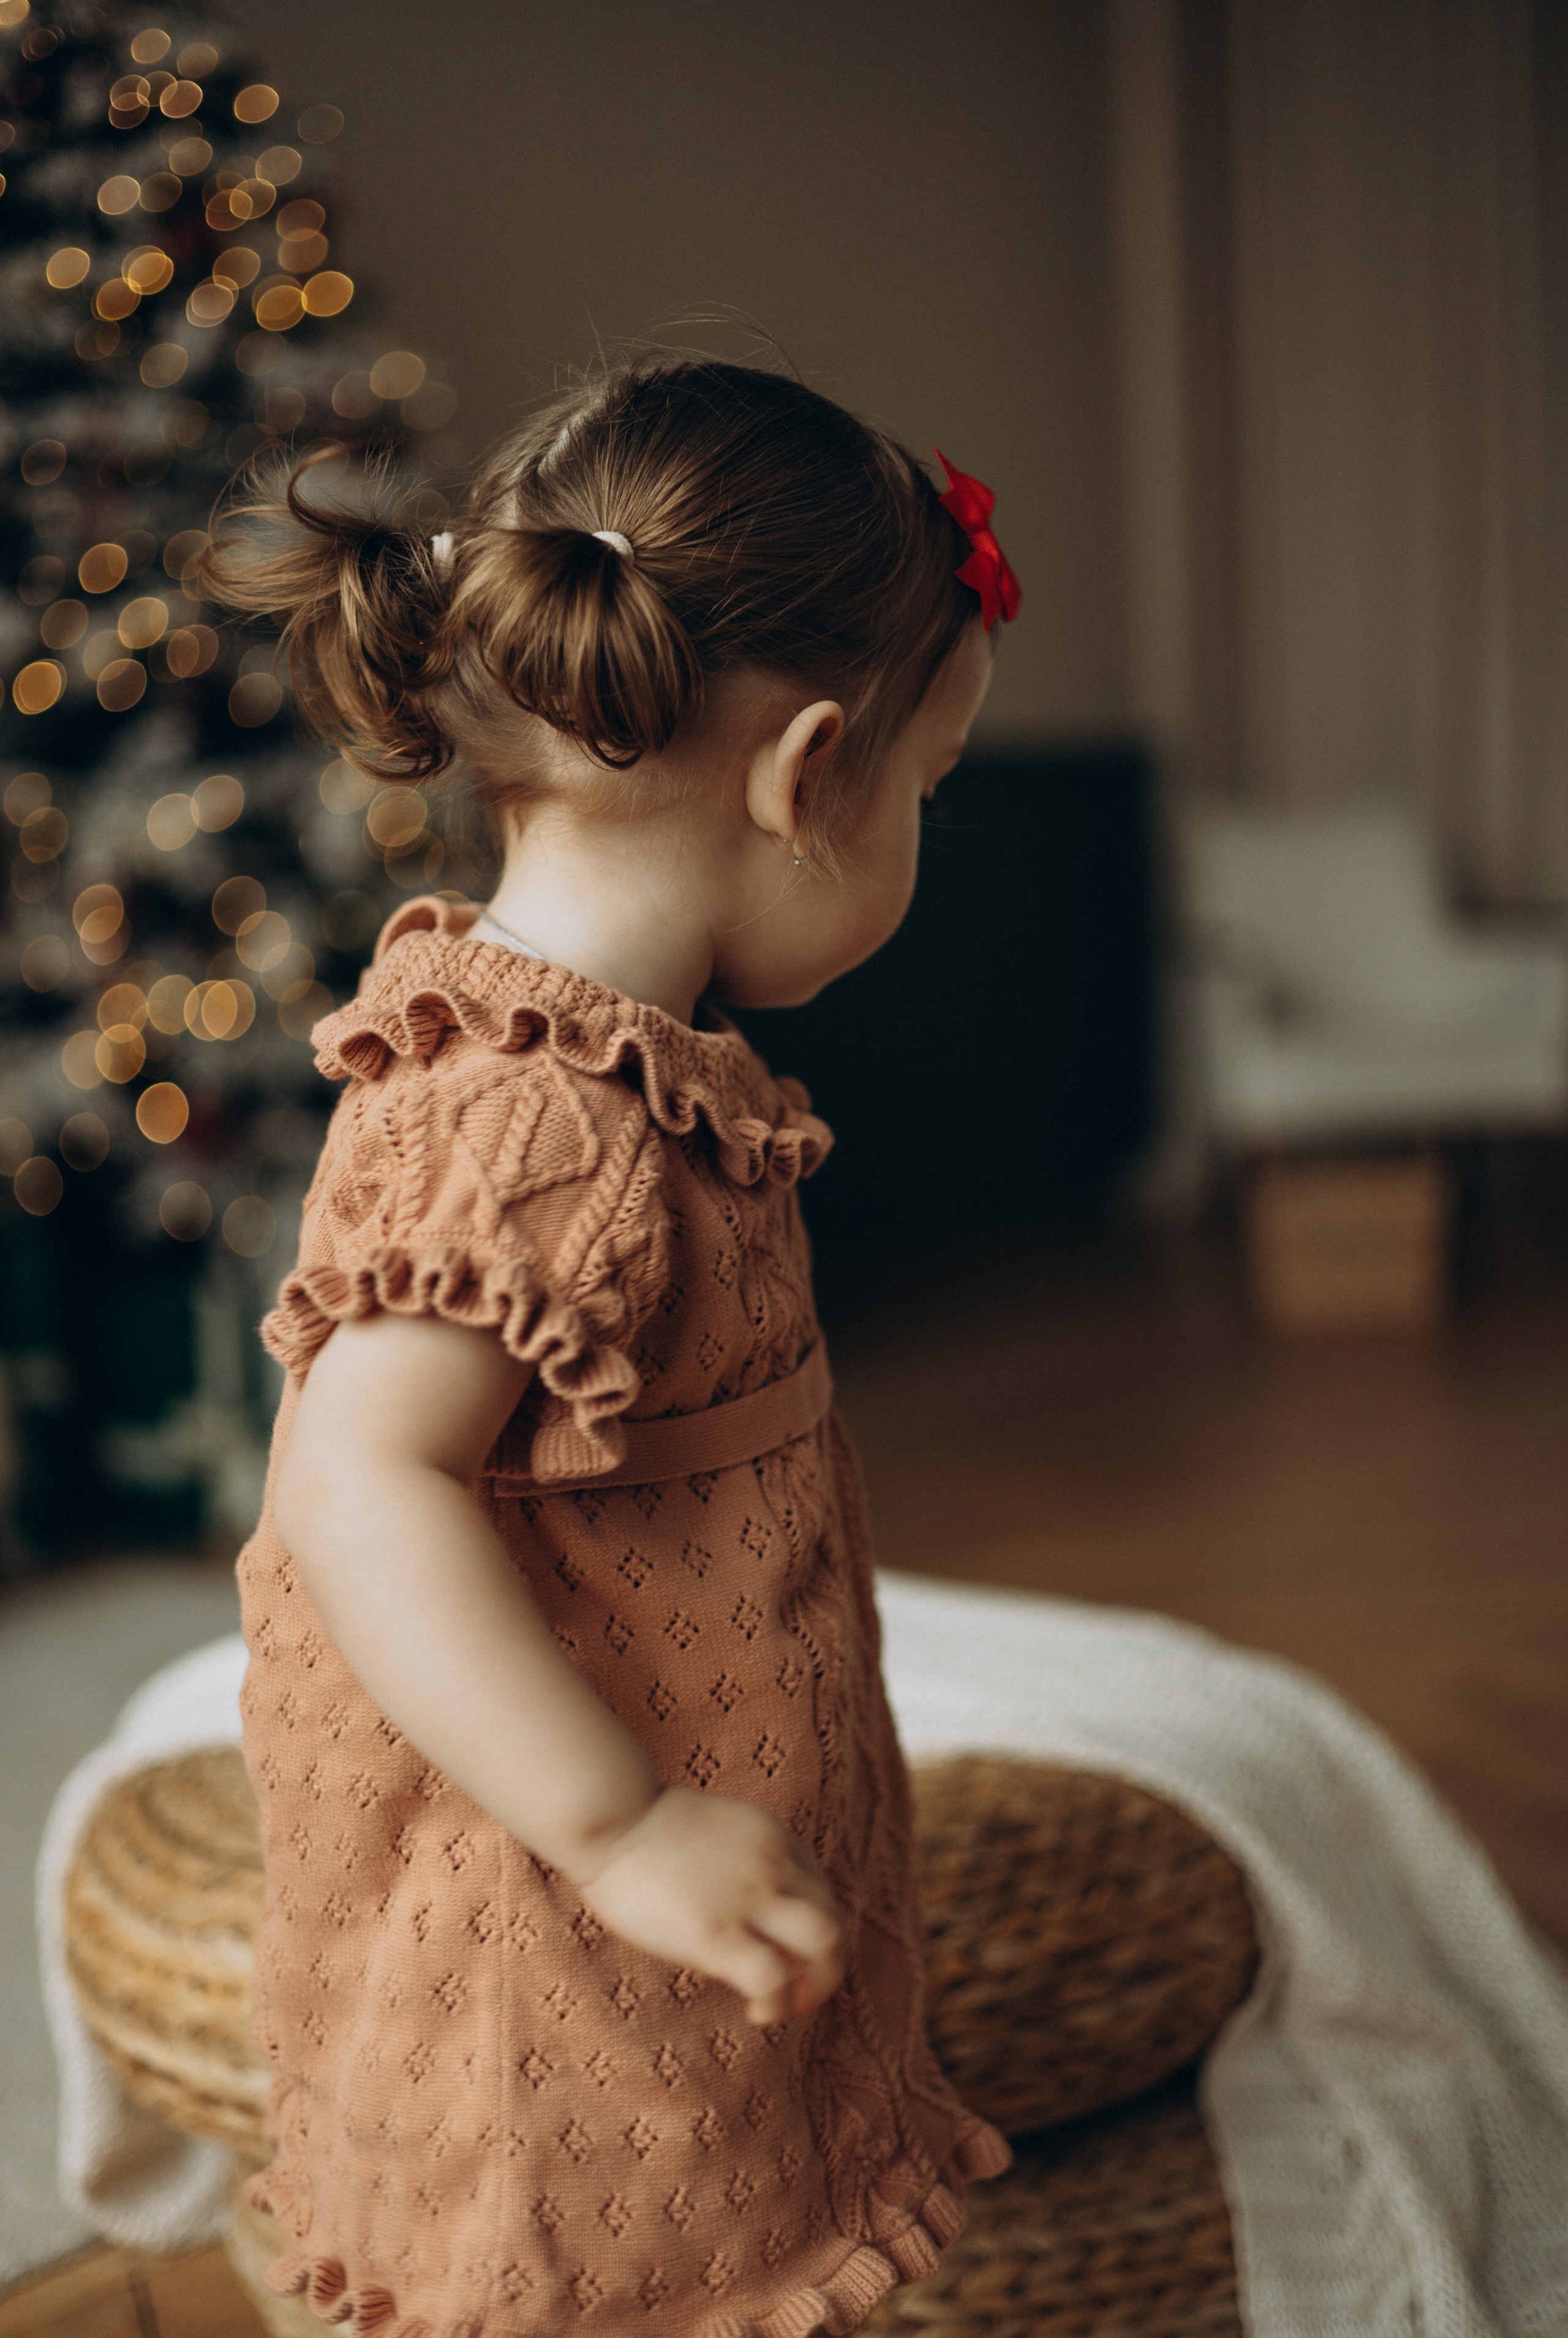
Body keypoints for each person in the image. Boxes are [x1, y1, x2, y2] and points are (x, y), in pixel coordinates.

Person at [208, 354, 1020, 2338]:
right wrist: (616, 1822)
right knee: (575, 2261)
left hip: (686, 1760)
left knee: (726, 2143)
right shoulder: (536, 1112)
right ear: (804, 770)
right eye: (924, 792)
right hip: (539, 1897)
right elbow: (354, 1472)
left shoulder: (623, 1072)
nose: (917, 833)